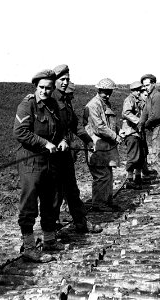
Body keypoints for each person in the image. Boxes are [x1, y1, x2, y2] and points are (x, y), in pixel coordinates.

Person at [13, 69, 69, 263]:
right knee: (29, 203)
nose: (44, 91)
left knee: (52, 200)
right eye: (41, 88)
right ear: (35, 87)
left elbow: (61, 129)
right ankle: (29, 247)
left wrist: (62, 140)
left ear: (53, 89)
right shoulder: (27, 105)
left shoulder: (54, 104)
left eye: (48, 88)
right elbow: (20, 132)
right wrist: (44, 143)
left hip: (51, 161)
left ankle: (49, 240)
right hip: (31, 160)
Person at [51, 64, 102, 233]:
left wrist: (88, 140)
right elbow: (49, 128)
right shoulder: (49, 99)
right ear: (55, 81)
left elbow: (74, 125)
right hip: (51, 154)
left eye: (67, 79)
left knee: (72, 189)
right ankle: (50, 230)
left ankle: (81, 222)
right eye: (62, 79)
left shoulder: (65, 101)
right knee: (55, 193)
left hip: (65, 153)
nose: (65, 83)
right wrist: (60, 140)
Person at [83, 78, 121, 211]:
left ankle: (107, 201)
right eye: (105, 92)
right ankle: (99, 204)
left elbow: (110, 123)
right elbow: (99, 127)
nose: (108, 95)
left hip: (105, 147)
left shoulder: (105, 103)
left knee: (107, 174)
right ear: (99, 90)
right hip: (97, 145)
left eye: (110, 92)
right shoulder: (93, 105)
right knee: (101, 175)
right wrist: (115, 136)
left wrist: (118, 131)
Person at [139, 74, 160, 191]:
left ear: (154, 84)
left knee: (159, 154)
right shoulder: (149, 97)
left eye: (147, 85)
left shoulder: (157, 96)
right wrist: (140, 124)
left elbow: (155, 116)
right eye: (144, 86)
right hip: (159, 128)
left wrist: (146, 125)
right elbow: (145, 112)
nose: (146, 88)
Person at [119, 81, 146, 189]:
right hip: (131, 132)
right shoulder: (129, 100)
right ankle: (130, 180)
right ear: (133, 91)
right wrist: (138, 121)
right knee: (133, 156)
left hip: (138, 132)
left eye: (140, 90)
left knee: (140, 156)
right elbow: (126, 113)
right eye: (138, 91)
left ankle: (138, 178)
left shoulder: (138, 100)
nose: (139, 92)